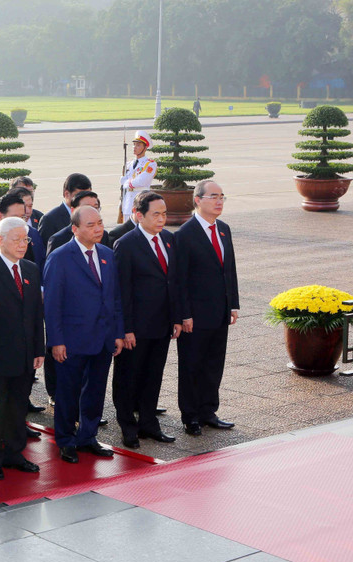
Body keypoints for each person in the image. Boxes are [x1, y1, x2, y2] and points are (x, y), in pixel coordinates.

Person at [43, 206, 123, 464]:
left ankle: (88, 436)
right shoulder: (60, 257)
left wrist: (118, 333)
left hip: (103, 338)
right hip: (72, 340)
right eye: (91, 225)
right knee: (68, 392)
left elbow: (115, 298)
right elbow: (52, 304)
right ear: (75, 229)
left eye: (100, 222)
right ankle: (66, 440)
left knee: (95, 391)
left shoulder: (107, 255)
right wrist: (56, 341)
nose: (98, 228)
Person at [0, 217, 45, 480]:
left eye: (25, 239)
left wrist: (39, 349)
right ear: (0, 241)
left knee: (17, 407)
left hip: (25, 355)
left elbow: (37, 314)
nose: (22, 245)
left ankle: (14, 453)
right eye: (16, 239)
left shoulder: (32, 270)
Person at [112, 192, 180, 449]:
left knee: (153, 376)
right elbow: (122, 290)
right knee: (128, 378)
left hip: (162, 324)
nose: (162, 219)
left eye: (164, 214)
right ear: (139, 215)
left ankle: (149, 424)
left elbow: (173, 282)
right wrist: (125, 328)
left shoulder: (169, 239)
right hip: (136, 328)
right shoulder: (126, 243)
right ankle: (128, 427)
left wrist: (176, 317)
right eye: (156, 214)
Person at [175, 180, 239, 436]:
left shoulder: (223, 229)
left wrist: (233, 303)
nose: (219, 200)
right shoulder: (184, 234)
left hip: (220, 311)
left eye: (222, 196)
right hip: (195, 315)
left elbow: (229, 270)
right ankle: (190, 415)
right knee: (191, 365)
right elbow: (179, 280)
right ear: (198, 200)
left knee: (214, 363)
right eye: (214, 196)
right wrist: (184, 314)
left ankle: (208, 410)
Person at [0, 192, 44, 270]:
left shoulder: (26, 242)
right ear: (0, 217)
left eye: (22, 217)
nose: (19, 221)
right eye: (14, 217)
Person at [45, 191, 110, 255]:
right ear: (73, 211)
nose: (92, 211)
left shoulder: (103, 235)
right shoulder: (58, 240)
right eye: (87, 207)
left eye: (96, 207)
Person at [38, 173, 92, 245]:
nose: (85, 200)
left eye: (88, 195)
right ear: (67, 194)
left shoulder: (92, 215)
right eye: (80, 196)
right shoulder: (49, 220)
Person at [119, 131, 157, 219]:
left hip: (141, 200)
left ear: (145, 147)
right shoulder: (129, 164)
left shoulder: (150, 164)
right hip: (128, 202)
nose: (134, 147)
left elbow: (141, 181)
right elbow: (122, 181)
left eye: (138, 145)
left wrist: (126, 183)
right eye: (134, 144)